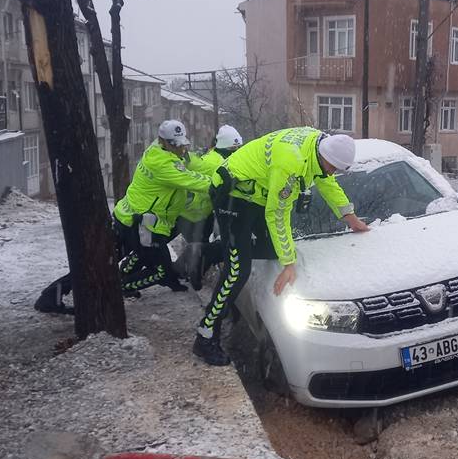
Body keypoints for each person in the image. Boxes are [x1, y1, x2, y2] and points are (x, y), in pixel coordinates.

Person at [192, 127, 370, 365]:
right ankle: (205, 336)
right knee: (238, 271)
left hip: (256, 191)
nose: (333, 172)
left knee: (274, 248)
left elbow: (327, 183)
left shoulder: (319, 147)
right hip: (232, 193)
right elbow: (277, 214)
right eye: (333, 167)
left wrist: (350, 217)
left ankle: (214, 251)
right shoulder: (291, 163)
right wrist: (288, 264)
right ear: (324, 156)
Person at [113, 119, 214, 294]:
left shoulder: (158, 151)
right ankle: (119, 288)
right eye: (175, 144)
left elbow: (191, 165)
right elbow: (192, 180)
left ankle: (125, 278)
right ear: (163, 141)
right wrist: (220, 183)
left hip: (141, 218)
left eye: (181, 144)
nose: (180, 148)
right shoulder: (163, 164)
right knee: (160, 269)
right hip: (144, 223)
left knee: (142, 256)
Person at [176, 125, 244, 290]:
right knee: (199, 248)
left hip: (196, 210)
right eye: (234, 148)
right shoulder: (221, 162)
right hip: (196, 211)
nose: (237, 150)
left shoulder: (212, 156)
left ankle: (186, 272)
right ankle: (187, 274)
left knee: (198, 247)